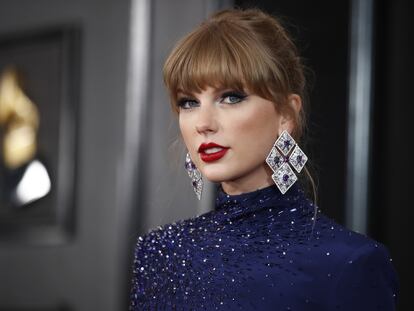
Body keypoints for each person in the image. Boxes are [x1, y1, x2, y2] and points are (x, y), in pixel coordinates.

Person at [129, 8, 399, 310]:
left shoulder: (350, 262)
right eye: (188, 102)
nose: (202, 122)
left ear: (286, 114)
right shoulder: (160, 252)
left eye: (231, 97)